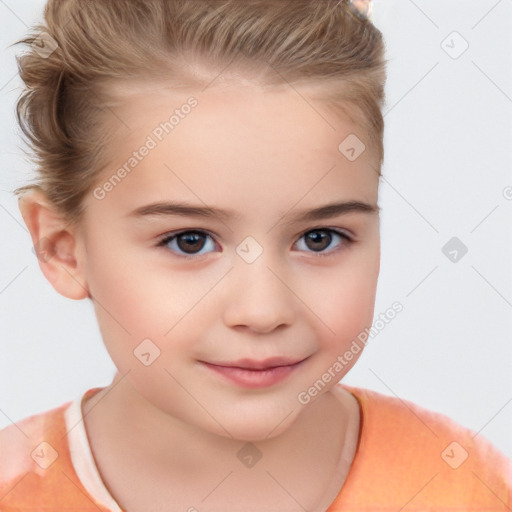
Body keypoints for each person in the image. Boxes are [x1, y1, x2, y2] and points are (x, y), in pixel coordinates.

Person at [0, 0, 510, 510]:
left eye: (319, 238)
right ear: (62, 249)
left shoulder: (465, 487)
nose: (263, 312)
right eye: (190, 241)